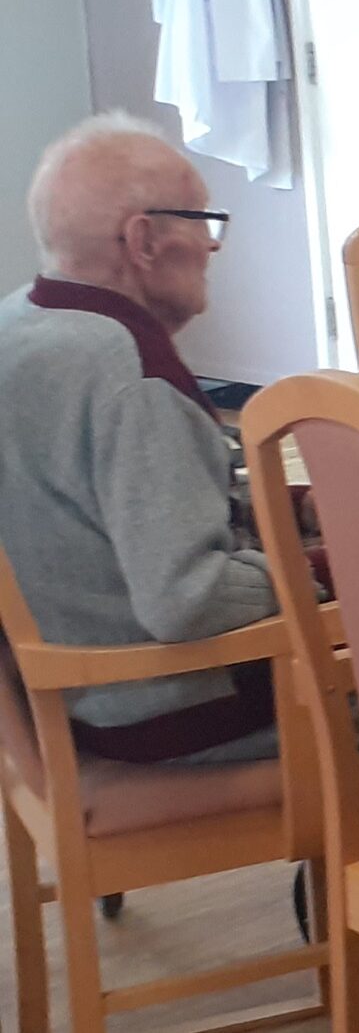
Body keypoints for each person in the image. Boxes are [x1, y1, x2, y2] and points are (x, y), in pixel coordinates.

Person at [0, 113, 294, 763]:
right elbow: (187, 599)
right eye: (201, 221)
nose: (212, 245)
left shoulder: (16, 325)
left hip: (61, 702)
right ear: (144, 241)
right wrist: (321, 571)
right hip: (173, 711)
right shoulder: (132, 374)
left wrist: (281, 513)